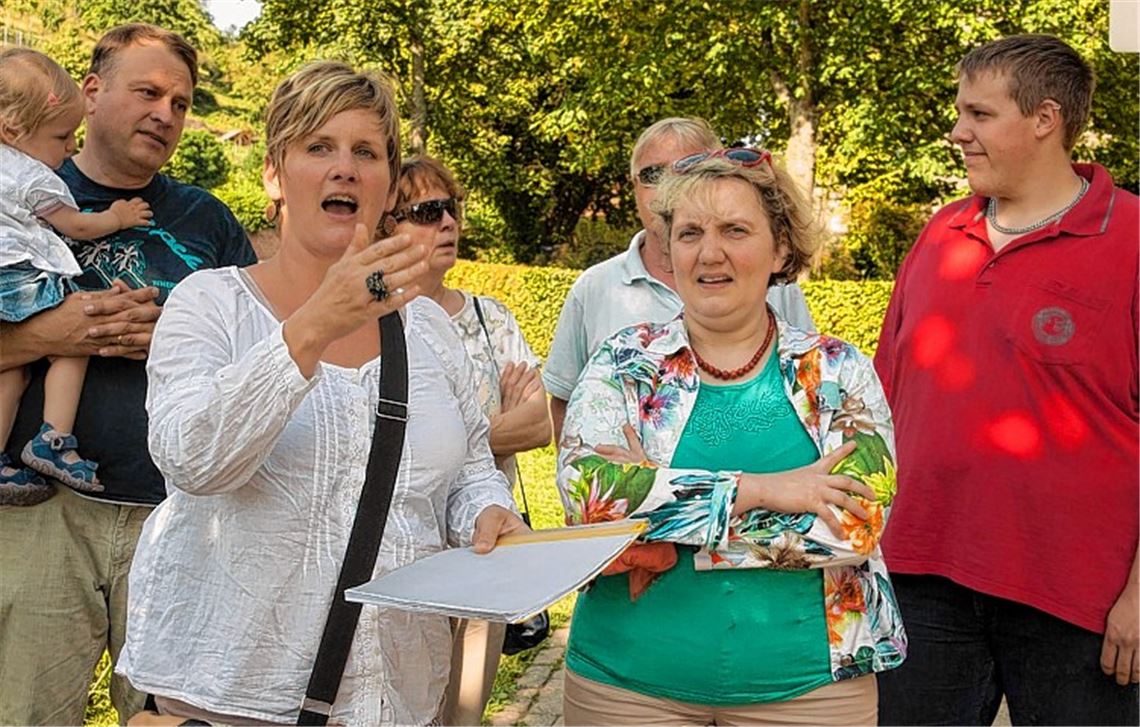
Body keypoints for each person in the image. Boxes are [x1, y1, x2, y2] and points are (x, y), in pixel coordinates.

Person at [118, 61, 527, 725]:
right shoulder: (211, 304)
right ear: (275, 175)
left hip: (396, 698)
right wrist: (312, 326)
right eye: (318, 147)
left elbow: (469, 470)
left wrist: (486, 513)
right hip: (233, 700)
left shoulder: (426, 326)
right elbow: (192, 459)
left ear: (387, 183)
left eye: (365, 152)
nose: (344, 168)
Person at [555, 150, 904, 726]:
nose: (709, 252)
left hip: (809, 695)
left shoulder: (838, 370)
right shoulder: (622, 362)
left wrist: (663, 523)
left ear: (781, 248)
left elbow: (857, 523)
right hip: (624, 689)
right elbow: (590, 498)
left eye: (735, 230)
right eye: (689, 232)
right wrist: (764, 490)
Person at [874, 34, 1138, 725]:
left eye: (979, 115)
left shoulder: (1133, 239)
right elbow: (879, 400)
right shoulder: (939, 234)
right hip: (921, 581)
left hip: (1080, 599)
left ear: (1045, 119)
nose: (958, 132)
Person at [0, 24, 256, 725]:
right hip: (38, 518)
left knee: (170, 716)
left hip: (176, 519)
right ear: (90, 92)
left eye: (180, 101)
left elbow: (264, 358)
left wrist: (177, 340)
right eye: (147, 91)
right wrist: (54, 333)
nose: (165, 113)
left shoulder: (209, 219)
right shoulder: (14, 186)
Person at [391, 155, 552, 726]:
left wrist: (449, 441)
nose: (448, 224)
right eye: (427, 212)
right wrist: (489, 431)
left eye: (451, 209)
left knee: (462, 715)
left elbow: (539, 424)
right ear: (388, 224)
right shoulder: (369, 321)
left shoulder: (491, 318)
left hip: (482, 546)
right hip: (400, 557)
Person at [543, 117, 817, 442]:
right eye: (653, 174)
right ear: (633, 185)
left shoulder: (833, 358)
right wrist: (775, 488)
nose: (710, 254)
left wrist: (648, 481)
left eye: (735, 230)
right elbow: (576, 437)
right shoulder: (597, 297)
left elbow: (814, 396)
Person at [0, 48, 153, 503]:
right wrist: (118, 217)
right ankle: (54, 439)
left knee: (12, 370)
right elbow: (77, 225)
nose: (68, 148)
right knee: (76, 340)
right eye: (62, 136)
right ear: (13, 130)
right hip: (22, 276)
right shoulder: (32, 176)